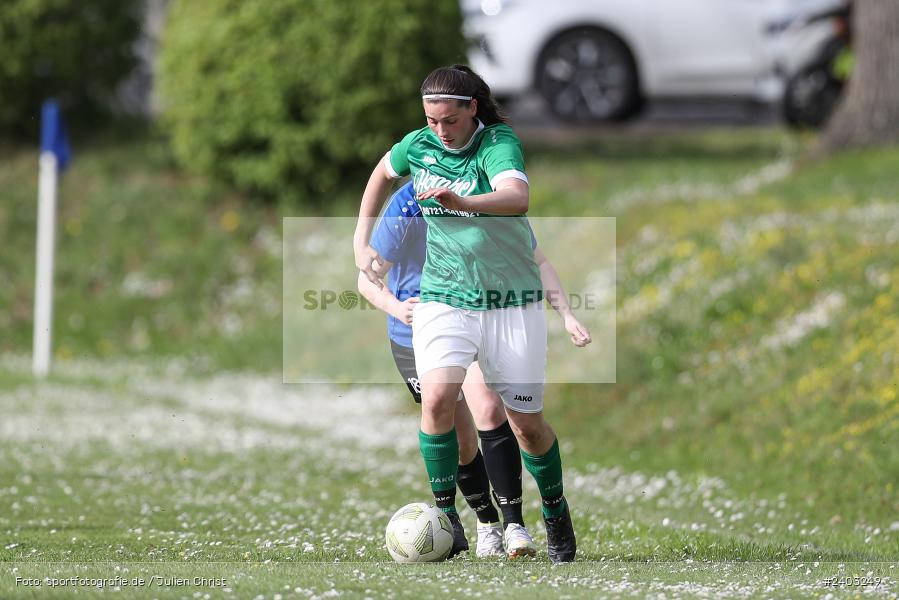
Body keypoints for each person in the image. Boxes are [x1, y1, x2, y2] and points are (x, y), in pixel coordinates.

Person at [354, 64, 584, 562]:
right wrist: (359, 240)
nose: (439, 130)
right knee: (437, 399)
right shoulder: (418, 147)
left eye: (449, 121)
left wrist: (463, 201)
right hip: (444, 298)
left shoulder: (499, 144)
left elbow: (517, 196)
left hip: (508, 302)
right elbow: (381, 171)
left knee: (525, 424)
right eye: (431, 120)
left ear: (471, 108)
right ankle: (448, 520)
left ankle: (554, 510)